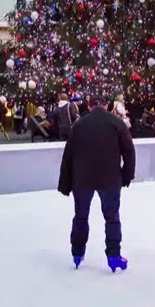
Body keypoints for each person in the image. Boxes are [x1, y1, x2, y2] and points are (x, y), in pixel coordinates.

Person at [57, 95, 135, 272]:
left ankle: (77, 252)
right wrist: (126, 175)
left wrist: (65, 182)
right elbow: (129, 151)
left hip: (82, 179)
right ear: (107, 105)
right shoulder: (117, 123)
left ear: (89, 106)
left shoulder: (80, 125)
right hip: (110, 178)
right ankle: (114, 255)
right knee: (112, 217)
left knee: (80, 216)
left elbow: (68, 155)